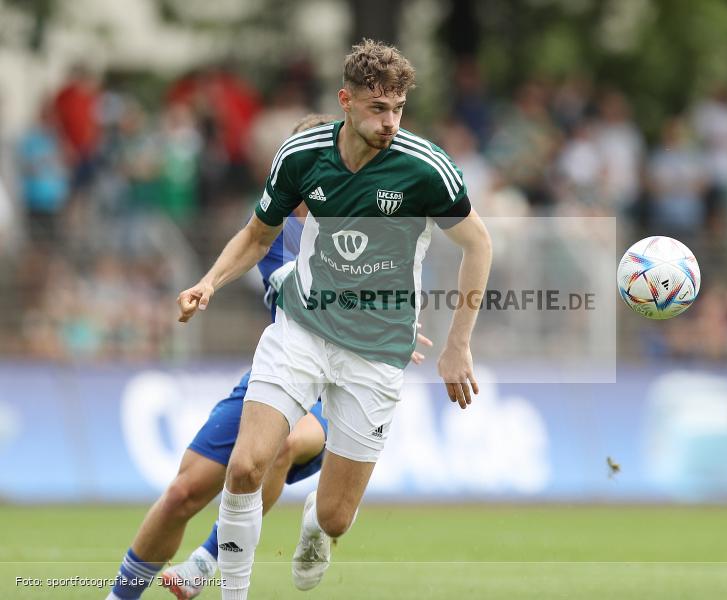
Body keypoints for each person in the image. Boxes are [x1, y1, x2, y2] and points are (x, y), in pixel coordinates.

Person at [176, 39, 492, 598]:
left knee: (338, 516)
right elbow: (257, 234)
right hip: (303, 329)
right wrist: (208, 283)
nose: (389, 121)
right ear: (346, 101)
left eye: (397, 108)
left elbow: (478, 244)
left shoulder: (426, 169)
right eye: (377, 108)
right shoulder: (302, 156)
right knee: (248, 465)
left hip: (376, 352)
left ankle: (315, 528)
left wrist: (457, 345)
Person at [105, 114, 430, 600]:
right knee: (181, 494)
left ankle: (207, 563)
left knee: (282, 446)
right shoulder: (272, 230)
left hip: (339, 381)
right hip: (287, 366)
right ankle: (120, 597)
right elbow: (301, 294)